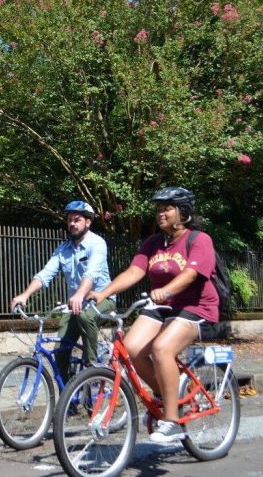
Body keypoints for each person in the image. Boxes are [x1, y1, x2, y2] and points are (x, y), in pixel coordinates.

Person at [87, 186, 219, 443]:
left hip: (196, 306)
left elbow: (190, 275)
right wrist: (103, 293)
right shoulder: (153, 243)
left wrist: (166, 290)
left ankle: (171, 420)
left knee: (161, 349)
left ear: (183, 212)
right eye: (158, 209)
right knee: (131, 349)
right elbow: (134, 272)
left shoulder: (199, 240)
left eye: (167, 209)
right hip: (163, 305)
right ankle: (165, 392)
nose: (161, 214)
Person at [11, 200, 115, 379]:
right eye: (70, 220)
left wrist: (80, 294)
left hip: (101, 299)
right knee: (60, 352)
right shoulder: (63, 249)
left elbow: (92, 273)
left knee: (86, 316)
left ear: (87, 222)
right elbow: (46, 273)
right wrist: (25, 294)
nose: (72, 224)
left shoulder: (97, 244)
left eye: (77, 220)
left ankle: (93, 370)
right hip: (76, 304)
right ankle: (69, 400)